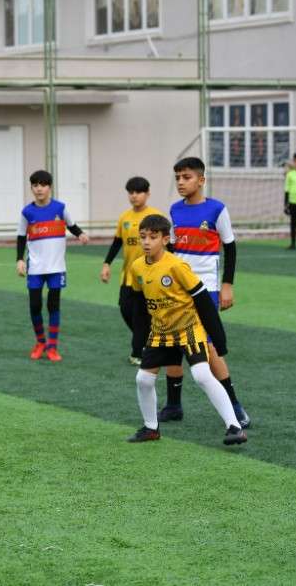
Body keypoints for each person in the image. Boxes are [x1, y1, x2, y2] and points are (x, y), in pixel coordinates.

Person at [125, 214, 247, 446]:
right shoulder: (137, 267)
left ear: (165, 239)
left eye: (153, 237)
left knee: (201, 375)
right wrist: (138, 341)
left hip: (188, 329)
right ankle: (151, 428)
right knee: (143, 380)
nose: (147, 242)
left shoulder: (176, 265)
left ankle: (234, 426)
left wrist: (219, 340)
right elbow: (139, 306)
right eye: (143, 237)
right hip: (160, 332)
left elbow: (202, 300)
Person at [160, 157, 250, 428]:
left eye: (186, 177)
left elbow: (230, 247)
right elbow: (173, 252)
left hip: (206, 290)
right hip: (178, 290)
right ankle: (174, 405)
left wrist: (227, 285)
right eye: (177, 178)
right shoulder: (174, 210)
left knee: (209, 349)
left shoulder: (216, 210)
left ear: (201, 180)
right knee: (172, 344)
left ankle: (236, 407)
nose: (180, 182)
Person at [16, 170, 90, 362]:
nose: (39, 189)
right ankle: (40, 342)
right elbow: (21, 237)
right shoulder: (27, 212)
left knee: (53, 305)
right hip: (36, 268)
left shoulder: (60, 208)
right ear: (31, 188)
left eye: (43, 185)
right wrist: (20, 259)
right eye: (35, 185)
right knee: (35, 305)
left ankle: (52, 347)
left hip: (56, 268)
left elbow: (72, 225)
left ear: (50, 187)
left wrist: (80, 234)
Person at [100, 176, 165, 366]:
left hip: (149, 277)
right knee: (125, 310)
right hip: (127, 276)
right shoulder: (125, 217)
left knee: (140, 315)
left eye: (138, 192)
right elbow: (117, 242)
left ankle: (138, 352)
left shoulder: (155, 217)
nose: (134, 196)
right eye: (131, 192)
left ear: (148, 194)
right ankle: (147, 341)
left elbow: (166, 244)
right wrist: (106, 264)